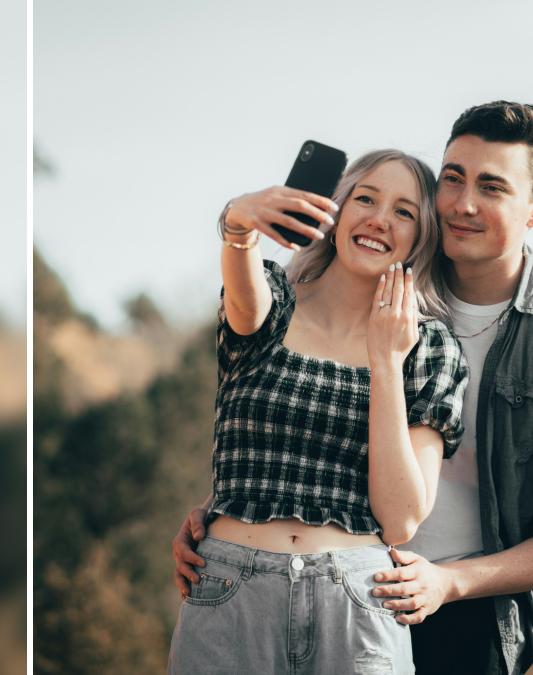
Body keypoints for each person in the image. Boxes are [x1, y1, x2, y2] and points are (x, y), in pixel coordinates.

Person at [174, 102, 533, 675]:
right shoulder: (322, 295)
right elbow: (279, 404)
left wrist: (451, 581)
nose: (463, 202)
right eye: (453, 178)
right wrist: (224, 519)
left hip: (461, 608)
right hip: (327, 581)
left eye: (491, 187)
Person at [167, 149, 469, 675]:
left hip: (357, 603)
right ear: (335, 211)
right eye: (366, 199)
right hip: (229, 592)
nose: (379, 218)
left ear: (422, 238)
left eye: (404, 211)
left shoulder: (429, 347)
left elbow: (399, 519)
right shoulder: (273, 299)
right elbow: (244, 301)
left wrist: (387, 361)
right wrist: (239, 223)